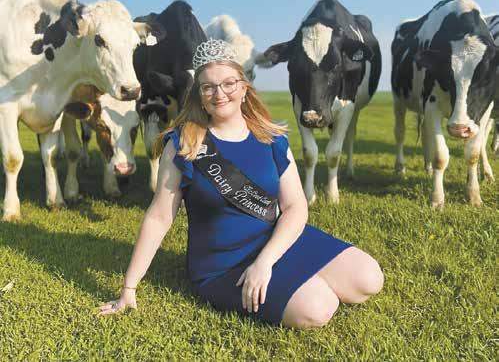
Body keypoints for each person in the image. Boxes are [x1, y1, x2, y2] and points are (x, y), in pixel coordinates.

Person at [99, 39, 383, 328]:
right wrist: (128, 289)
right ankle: (304, 284)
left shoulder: (272, 137)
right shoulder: (184, 144)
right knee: (317, 308)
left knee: (369, 278)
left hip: (278, 241)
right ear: (199, 94)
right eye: (208, 87)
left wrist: (265, 262)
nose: (219, 94)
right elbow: (159, 217)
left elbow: (295, 207)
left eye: (228, 83)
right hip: (224, 264)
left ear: (244, 87)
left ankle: (297, 277)